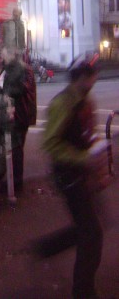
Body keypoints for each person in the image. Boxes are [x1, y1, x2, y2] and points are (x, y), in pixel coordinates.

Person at [40, 53, 102, 299]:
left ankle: (46, 248)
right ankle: (83, 292)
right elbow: (51, 144)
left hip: (82, 174)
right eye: (91, 75)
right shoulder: (62, 104)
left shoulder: (86, 101)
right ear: (80, 78)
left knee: (89, 228)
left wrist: (95, 147)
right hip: (68, 176)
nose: (95, 79)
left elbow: (86, 134)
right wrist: (82, 158)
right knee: (92, 234)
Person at [0, 45, 36, 192]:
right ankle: (12, 180)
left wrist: (4, 90)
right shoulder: (7, 68)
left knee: (16, 148)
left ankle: (16, 182)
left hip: (20, 114)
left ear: (11, 54)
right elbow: (3, 85)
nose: (1, 56)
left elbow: (22, 88)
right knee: (12, 147)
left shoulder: (24, 69)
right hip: (10, 113)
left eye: (3, 53)